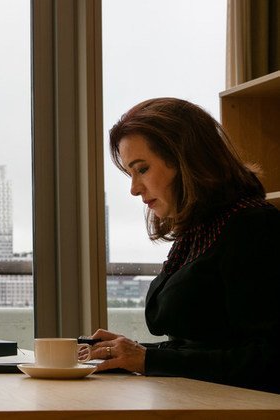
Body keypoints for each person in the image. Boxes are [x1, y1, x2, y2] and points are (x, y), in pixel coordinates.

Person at [85, 97, 280, 393]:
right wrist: (129, 353)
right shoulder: (200, 231)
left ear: (185, 160)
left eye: (142, 169)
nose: (134, 188)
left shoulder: (253, 226)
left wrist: (149, 359)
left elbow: (269, 361)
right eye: (130, 173)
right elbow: (205, 346)